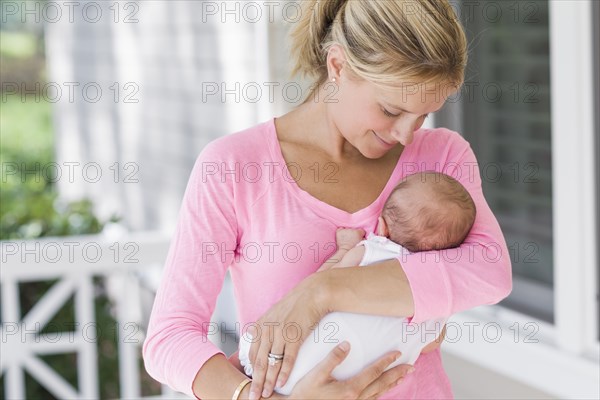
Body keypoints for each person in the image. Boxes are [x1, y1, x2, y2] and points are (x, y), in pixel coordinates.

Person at [143, 0, 512, 399]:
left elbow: (488, 271)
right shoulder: (235, 167)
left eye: (423, 115)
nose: (406, 134)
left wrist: (323, 291)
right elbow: (170, 335)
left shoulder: (442, 158)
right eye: (391, 110)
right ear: (337, 66)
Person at [236, 171, 477, 395]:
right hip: (346, 381)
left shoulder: (374, 252)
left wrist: (344, 249)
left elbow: (324, 279)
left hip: (283, 367)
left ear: (382, 227)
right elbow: (430, 343)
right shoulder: (435, 299)